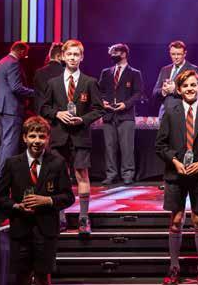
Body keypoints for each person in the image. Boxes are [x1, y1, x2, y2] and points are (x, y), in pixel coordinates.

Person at [0, 116, 75, 285]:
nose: (37, 140)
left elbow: (68, 196)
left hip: (45, 231)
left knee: (42, 281)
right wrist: (16, 206)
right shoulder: (13, 163)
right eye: (32, 136)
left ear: (48, 138)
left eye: (41, 136)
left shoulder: (57, 163)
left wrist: (47, 200)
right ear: (24, 138)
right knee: (21, 281)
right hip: (21, 230)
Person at [155, 70, 198, 285]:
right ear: (179, 90)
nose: (190, 89)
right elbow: (160, 145)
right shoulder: (170, 113)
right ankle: (174, 267)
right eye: (185, 86)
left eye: (193, 85)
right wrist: (175, 162)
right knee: (176, 220)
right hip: (175, 174)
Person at [40, 39, 104, 236]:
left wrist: (83, 119)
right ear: (62, 56)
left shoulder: (89, 82)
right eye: (69, 54)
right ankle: (60, 217)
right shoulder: (53, 83)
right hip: (59, 137)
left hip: (80, 136)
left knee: (81, 175)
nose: (73, 58)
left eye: (76, 54)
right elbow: (43, 108)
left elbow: (99, 109)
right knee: (58, 176)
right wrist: (57, 114)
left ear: (82, 57)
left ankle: (84, 218)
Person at [98, 43, 144, 185]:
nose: (113, 55)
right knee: (109, 147)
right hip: (109, 114)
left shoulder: (135, 73)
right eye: (111, 53)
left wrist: (125, 104)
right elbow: (99, 90)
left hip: (126, 115)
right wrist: (103, 102)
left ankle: (127, 174)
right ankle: (111, 174)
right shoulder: (106, 72)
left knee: (127, 147)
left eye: (116, 52)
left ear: (124, 54)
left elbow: (138, 93)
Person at [0, 41, 35, 180]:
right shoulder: (13, 63)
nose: (26, 56)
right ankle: (3, 176)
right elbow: (16, 87)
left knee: (6, 143)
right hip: (11, 108)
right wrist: (36, 93)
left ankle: (1, 175)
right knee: (10, 143)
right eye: (26, 54)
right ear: (21, 51)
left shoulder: (1, 62)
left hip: (1, 107)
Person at [152, 41, 198, 120]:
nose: (176, 57)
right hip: (164, 115)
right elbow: (155, 92)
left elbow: (195, 91)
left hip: (182, 114)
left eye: (179, 54)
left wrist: (174, 89)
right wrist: (164, 91)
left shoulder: (192, 69)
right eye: (173, 54)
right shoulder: (165, 70)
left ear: (185, 54)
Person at [34, 42, 64, 115]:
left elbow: (38, 96)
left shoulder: (39, 72)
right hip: (62, 114)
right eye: (66, 55)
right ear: (58, 56)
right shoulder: (65, 72)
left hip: (44, 114)